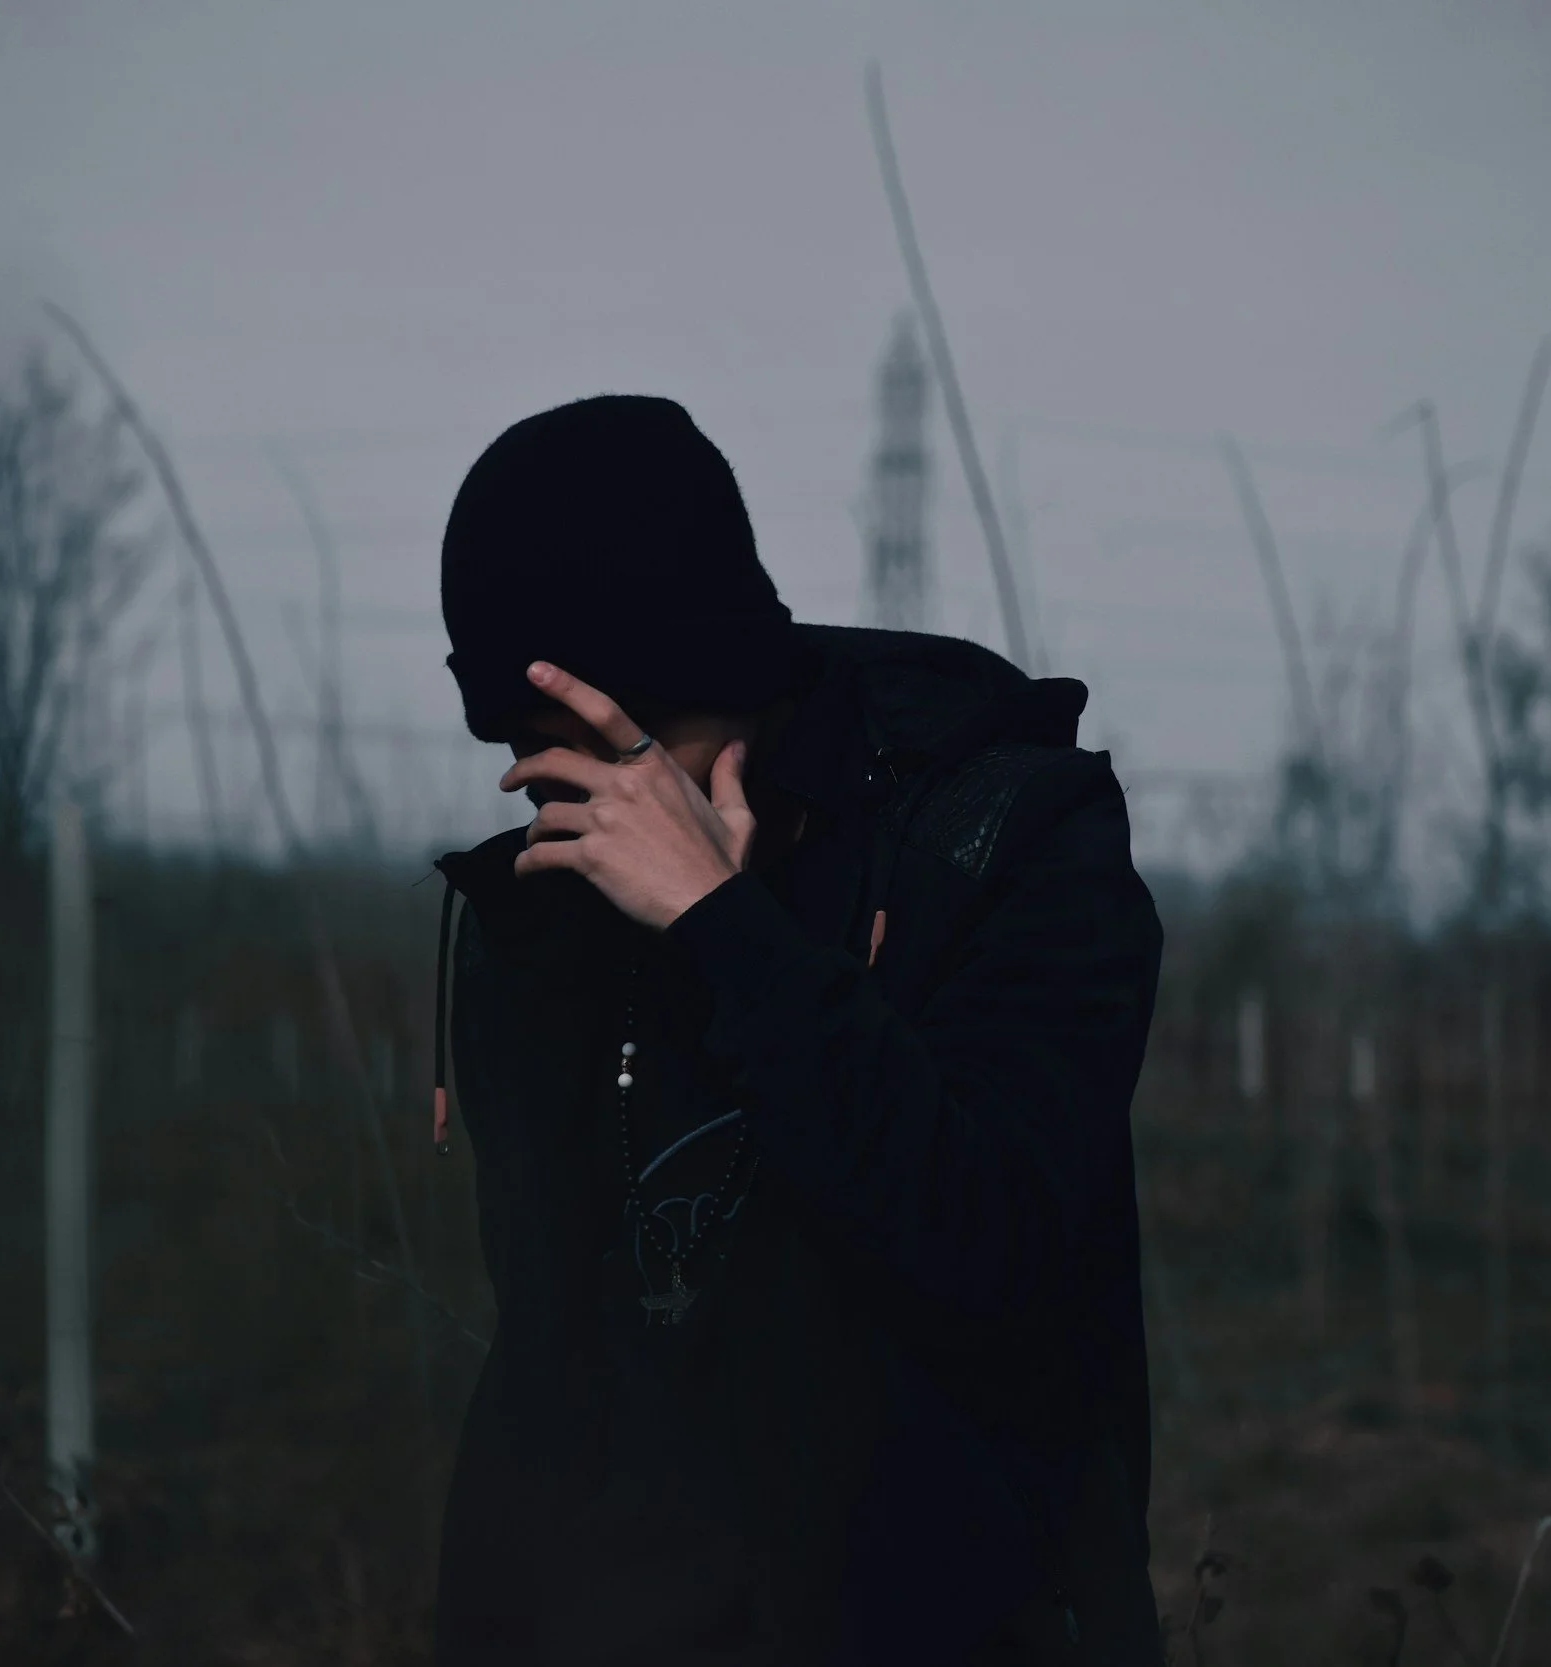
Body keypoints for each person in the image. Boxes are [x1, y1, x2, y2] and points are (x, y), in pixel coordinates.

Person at [428, 394, 1166, 1665]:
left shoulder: (1000, 842)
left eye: (607, 744)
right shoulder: (546, 905)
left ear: (703, 674)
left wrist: (726, 932)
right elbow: (553, 1365)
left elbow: (990, 1247)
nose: (581, 797)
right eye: (527, 756)